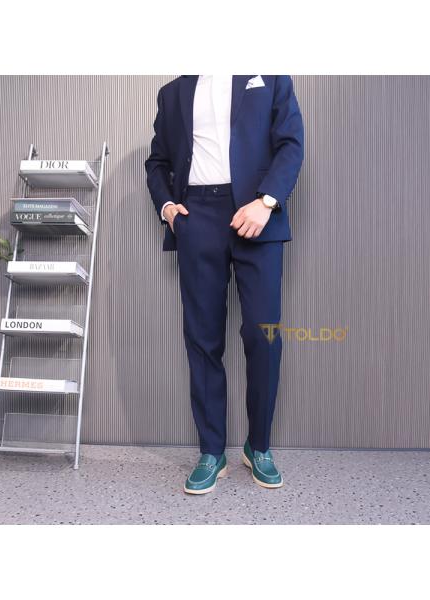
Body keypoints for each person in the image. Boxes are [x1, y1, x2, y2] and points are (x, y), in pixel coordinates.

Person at [145, 74, 304, 494]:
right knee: (202, 338)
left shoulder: (270, 76)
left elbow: (291, 142)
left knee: (263, 335)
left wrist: (267, 201)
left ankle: (259, 446)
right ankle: (211, 452)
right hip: (197, 215)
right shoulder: (173, 92)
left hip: (257, 213)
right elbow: (157, 161)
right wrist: (168, 207)